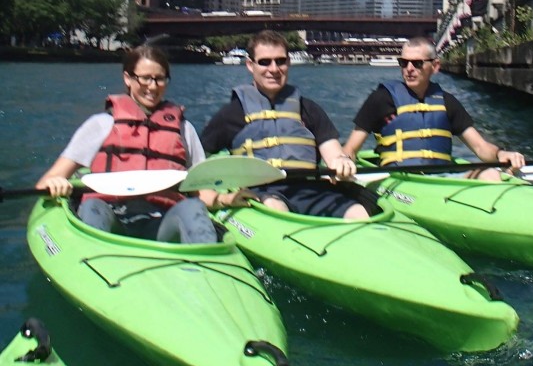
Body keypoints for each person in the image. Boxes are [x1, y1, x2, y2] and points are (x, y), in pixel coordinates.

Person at [36, 44, 249, 242]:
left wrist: (226, 200)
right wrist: (55, 183)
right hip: (112, 217)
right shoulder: (101, 125)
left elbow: (201, 192)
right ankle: (93, 265)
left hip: (162, 222)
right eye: (145, 78)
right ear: (128, 79)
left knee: (193, 208)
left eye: (160, 79)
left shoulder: (184, 129)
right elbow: (48, 180)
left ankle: (205, 267)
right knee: (92, 206)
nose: (153, 86)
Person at [201, 30, 378, 220]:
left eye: (281, 61)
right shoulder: (231, 114)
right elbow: (197, 162)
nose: (274, 69)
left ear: (288, 63)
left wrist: (341, 162)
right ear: (250, 65)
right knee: (275, 206)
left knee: (359, 213)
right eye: (264, 62)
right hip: (262, 193)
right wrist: (219, 198)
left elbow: (333, 153)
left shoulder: (309, 109)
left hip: (310, 191)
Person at [343, 36, 526, 181]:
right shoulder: (381, 99)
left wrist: (502, 153)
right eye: (403, 63)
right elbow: (350, 149)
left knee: (491, 174)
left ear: (435, 66)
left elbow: (480, 147)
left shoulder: (447, 102)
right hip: (398, 180)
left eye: (417, 63)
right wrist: (343, 164)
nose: (409, 69)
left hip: (442, 178)